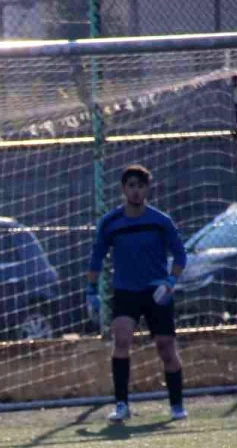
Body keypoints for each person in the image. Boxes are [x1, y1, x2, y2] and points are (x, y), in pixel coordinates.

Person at [86, 164, 188, 423]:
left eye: (140, 186)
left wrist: (170, 281)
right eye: (131, 185)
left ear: (147, 189)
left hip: (157, 293)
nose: (135, 191)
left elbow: (180, 255)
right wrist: (91, 291)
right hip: (125, 292)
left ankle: (176, 404)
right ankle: (122, 405)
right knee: (121, 341)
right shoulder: (111, 223)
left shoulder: (160, 221)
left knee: (166, 349)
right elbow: (96, 258)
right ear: (123, 189)